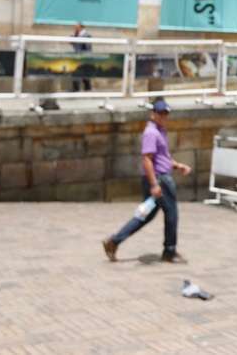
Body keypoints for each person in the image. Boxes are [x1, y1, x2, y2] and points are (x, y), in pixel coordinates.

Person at [102, 99, 191, 263]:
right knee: (172, 213)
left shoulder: (159, 131)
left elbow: (162, 157)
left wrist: (177, 165)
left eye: (166, 113)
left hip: (158, 176)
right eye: (160, 113)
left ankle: (114, 240)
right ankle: (169, 251)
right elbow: (147, 159)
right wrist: (154, 183)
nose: (164, 116)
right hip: (160, 179)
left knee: (146, 214)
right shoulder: (151, 132)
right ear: (153, 114)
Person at [71, 22, 92, 92]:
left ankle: (87, 87)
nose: (76, 29)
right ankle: (76, 88)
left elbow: (88, 48)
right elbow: (72, 43)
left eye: (77, 28)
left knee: (84, 73)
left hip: (82, 57)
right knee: (76, 73)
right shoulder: (76, 35)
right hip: (76, 57)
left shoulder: (86, 36)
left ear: (82, 27)